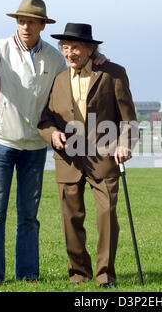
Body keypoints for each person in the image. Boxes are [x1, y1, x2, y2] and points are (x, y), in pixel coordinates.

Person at [0, 0, 106, 288]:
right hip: (0, 142)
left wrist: (99, 60)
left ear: (42, 25)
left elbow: (70, 81)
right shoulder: (0, 49)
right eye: (21, 21)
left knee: (29, 215)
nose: (25, 26)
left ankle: (28, 273)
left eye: (31, 22)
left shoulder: (54, 59)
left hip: (35, 147)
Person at [38, 23, 138, 288]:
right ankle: (79, 274)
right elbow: (45, 119)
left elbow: (130, 121)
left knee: (106, 214)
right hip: (68, 159)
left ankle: (105, 275)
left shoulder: (113, 74)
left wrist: (124, 144)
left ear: (90, 49)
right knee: (71, 220)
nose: (70, 53)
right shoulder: (57, 80)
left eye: (76, 47)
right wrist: (52, 135)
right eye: (65, 47)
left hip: (104, 158)